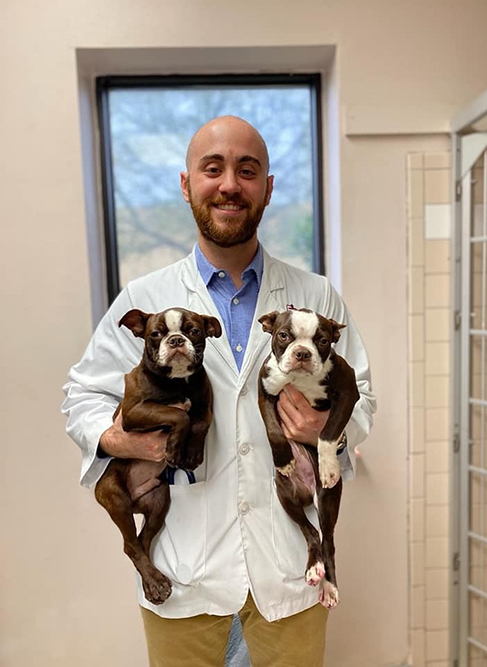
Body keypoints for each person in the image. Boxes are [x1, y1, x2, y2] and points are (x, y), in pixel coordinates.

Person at [62, 115, 376, 666]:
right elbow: (82, 397)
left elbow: (363, 397)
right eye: (213, 169)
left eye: (247, 170)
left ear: (268, 187)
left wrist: (330, 433)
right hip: (185, 571)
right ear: (187, 185)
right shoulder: (147, 296)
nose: (230, 184)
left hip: (290, 572)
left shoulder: (314, 295)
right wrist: (122, 442)